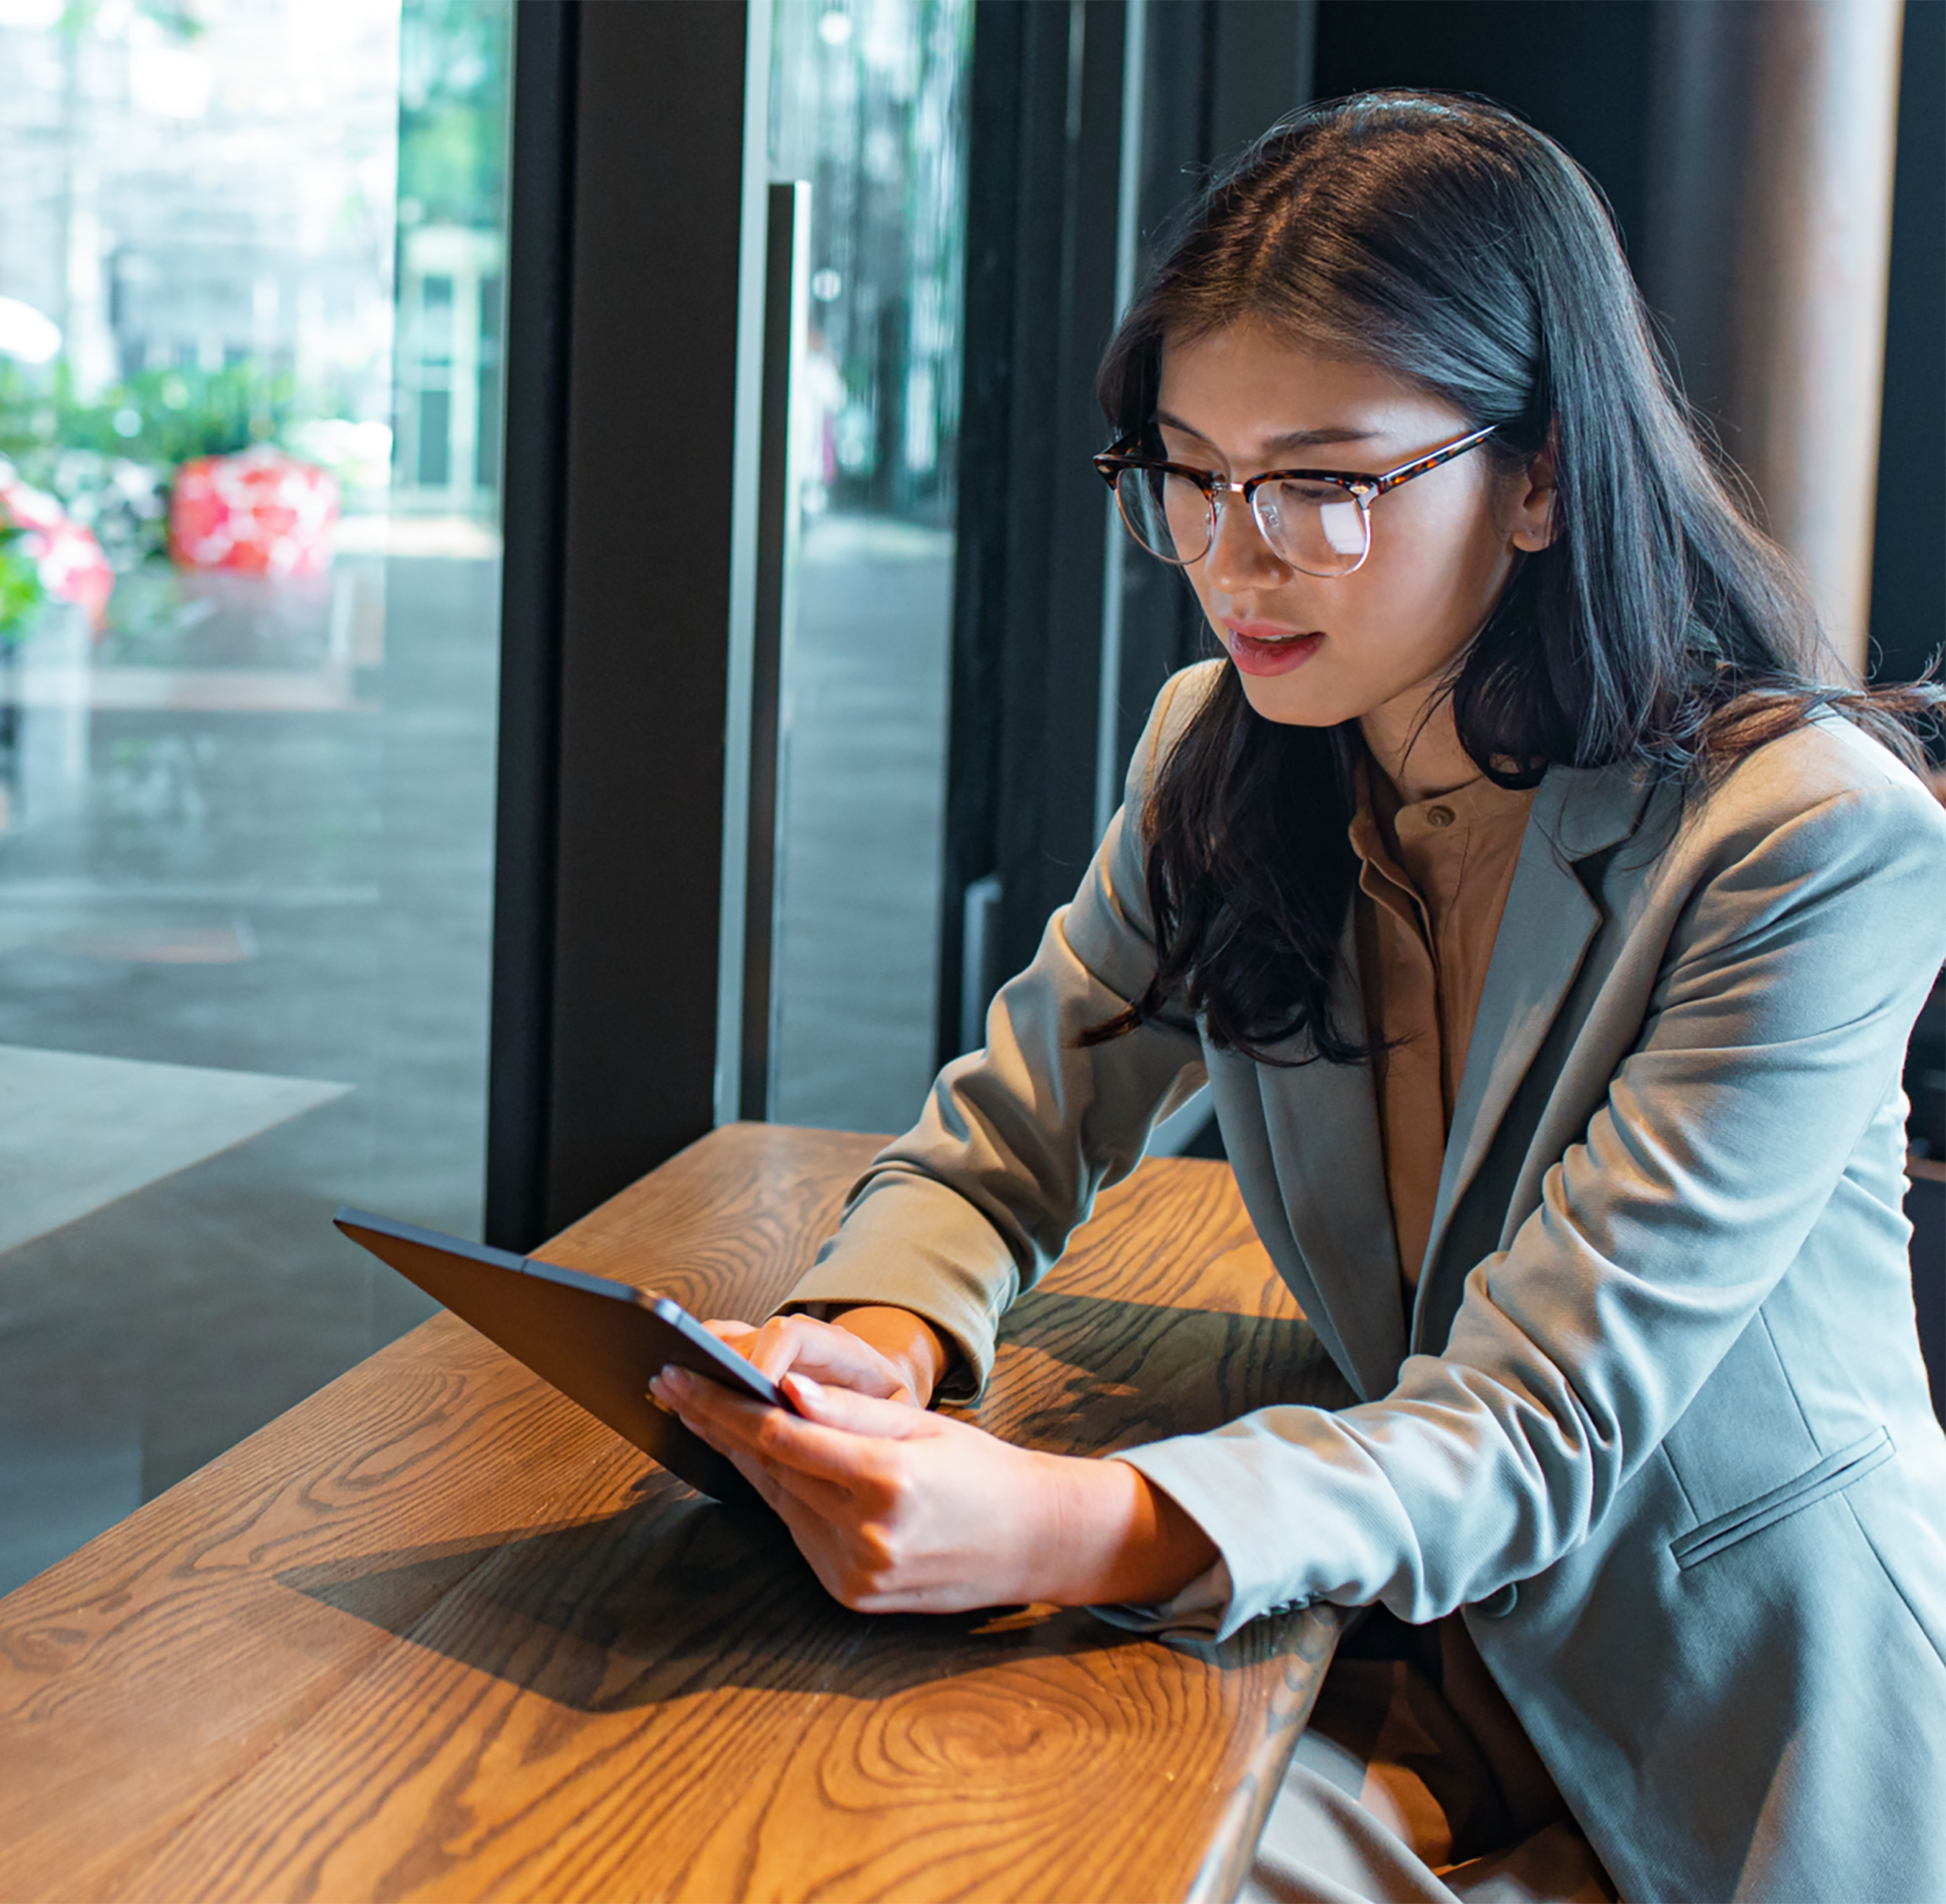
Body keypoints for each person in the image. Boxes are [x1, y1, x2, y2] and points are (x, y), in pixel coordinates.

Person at [649, 92, 1946, 1903]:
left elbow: (1540, 1421)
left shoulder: (1804, 840)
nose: (1232, 556)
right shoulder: (1234, 747)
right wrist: (880, 1342)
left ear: (1546, 473)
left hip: (1729, 1741)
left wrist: (1059, 1516)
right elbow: (1014, 1129)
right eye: (1189, 471)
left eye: (1326, 484)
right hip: (1398, 1647)